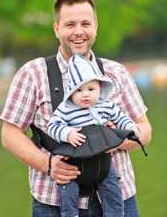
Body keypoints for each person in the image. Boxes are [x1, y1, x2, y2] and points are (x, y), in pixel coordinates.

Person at [0, 0, 152, 217]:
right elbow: (9, 134)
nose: (79, 31)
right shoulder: (32, 73)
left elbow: (145, 131)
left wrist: (112, 140)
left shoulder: (116, 72)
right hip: (53, 203)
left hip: (119, 199)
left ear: (95, 27)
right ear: (56, 28)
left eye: (85, 23)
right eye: (70, 24)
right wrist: (48, 164)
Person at [47, 54, 141, 217]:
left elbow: (120, 117)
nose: (85, 94)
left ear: (100, 88)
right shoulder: (66, 109)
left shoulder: (105, 106)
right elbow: (52, 126)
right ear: (70, 92)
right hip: (75, 163)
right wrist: (67, 133)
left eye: (91, 89)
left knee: (112, 189)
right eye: (79, 90)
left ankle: (115, 214)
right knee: (68, 192)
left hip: (102, 161)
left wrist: (130, 127)